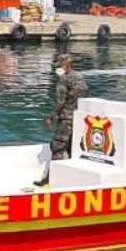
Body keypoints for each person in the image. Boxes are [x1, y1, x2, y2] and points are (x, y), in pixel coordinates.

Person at [35, 53, 88, 187]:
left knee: (57, 147)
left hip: (66, 119)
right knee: (72, 149)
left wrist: (51, 117)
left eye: (59, 65)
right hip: (79, 119)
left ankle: (50, 180)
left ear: (65, 65)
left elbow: (60, 102)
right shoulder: (79, 78)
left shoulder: (64, 79)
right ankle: (75, 180)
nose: (57, 69)